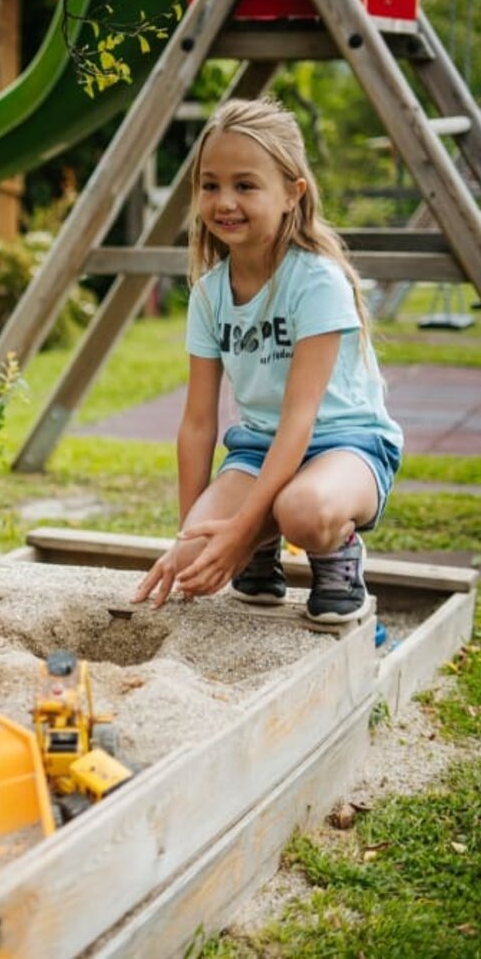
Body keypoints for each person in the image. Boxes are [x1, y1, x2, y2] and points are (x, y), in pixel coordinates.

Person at [132, 98, 402, 623]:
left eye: (245, 185)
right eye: (210, 185)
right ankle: (258, 549)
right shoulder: (209, 294)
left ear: (291, 193)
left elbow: (301, 420)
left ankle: (337, 551)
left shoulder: (317, 282)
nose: (224, 201)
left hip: (346, 447)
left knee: (300, 510)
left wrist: (237, 530)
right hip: (259, 450)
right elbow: (197, 422)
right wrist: (195, 534)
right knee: (193, 555)